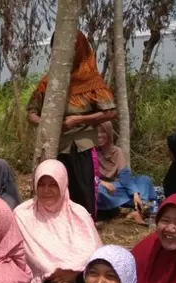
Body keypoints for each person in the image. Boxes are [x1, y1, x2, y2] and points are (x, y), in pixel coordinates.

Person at [27, 30, 117, 219]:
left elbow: (110, 112)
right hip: (54, 147)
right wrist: (48, 123)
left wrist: (80, 119)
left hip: (82, 147)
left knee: (84, 194)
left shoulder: (91, 80)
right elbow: (31, 113)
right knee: (55, 193)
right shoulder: (49, 82)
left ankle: (84, 232)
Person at [14, 160, 102, 283]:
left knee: (92, 275)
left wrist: (74, 271)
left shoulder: (78, 212)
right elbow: (32, 254)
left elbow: (94, 249)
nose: (46, 190)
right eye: (42, 184)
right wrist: (57, 272)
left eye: (53, 185)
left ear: (63, 184)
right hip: (44, 282)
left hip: (77, 277)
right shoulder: (23, 213)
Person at [96, 122, 155, 224]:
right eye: (96, 132)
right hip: (102, 187)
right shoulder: (90, 152)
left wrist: (135, 193)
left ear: (109, 133)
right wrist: (101, 182)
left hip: (118, 187)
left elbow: (125, 177)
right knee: (98, 191)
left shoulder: (117, 152)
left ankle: (138, 210)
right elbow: (87, 177)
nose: (99, 135)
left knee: (144, 179)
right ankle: (122, 209)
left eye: (103, 132)